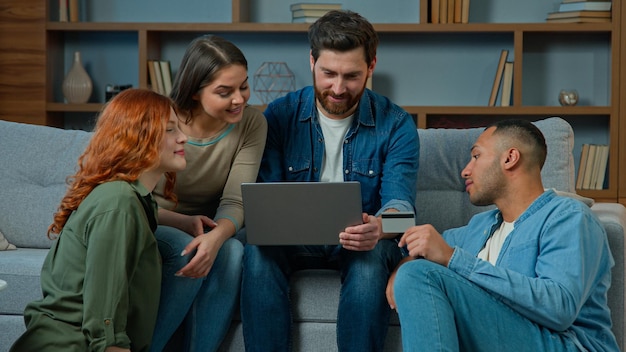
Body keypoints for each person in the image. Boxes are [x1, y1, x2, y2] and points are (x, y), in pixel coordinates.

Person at [240, 10, 420, 352]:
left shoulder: (396, 124)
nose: (338, 89)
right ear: (311, 62)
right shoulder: (280, 115)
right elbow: (265, 199)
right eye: (328, 74)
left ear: (371, 66)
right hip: (293, 243)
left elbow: (405, 215)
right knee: (258, 251)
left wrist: (380, 227)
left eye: (352, 76)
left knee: (369, 263)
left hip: (360, 246)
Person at [387, 119, 619, 352]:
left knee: (419, 275)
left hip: (565, 344)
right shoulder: (480, 226)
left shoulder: (568, 217)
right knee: (414, 272)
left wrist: (453, 259)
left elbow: (558, 308)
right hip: (507, 339)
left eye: (476, 156)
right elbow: (425, 248)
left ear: (510, 158)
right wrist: (406, 261)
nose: (465, 170)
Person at [10, 88, 187, 352]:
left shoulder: (130, 198)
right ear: (138, 137)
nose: (184, 138)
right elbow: (104, 318)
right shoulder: (118, 202)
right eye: (170, 130)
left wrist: (186, 221)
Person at [149, 35, 267, 352]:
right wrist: (187, 225)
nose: (239, 99)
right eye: (224, 92)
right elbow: (128, 198)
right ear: (194, 91)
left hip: (214, 225)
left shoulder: (253, 123)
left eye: (243, 86)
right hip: (155, 218)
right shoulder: (160, 120)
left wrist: (215, 239)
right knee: (187, 248)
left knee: (232, 252)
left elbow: (236, 200)